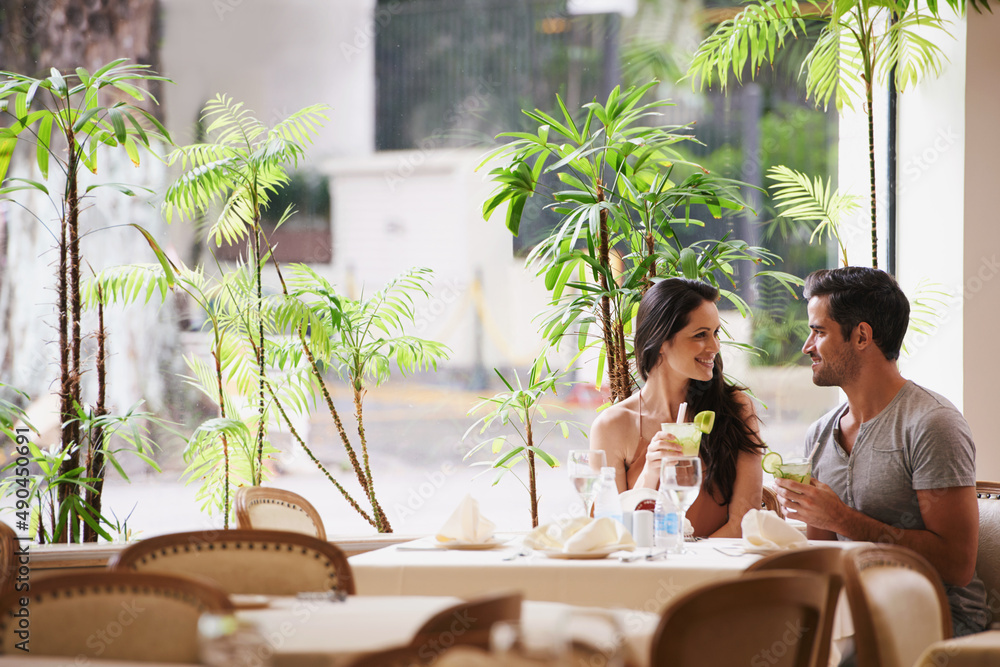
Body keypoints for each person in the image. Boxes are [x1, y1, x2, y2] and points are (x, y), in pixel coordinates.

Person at [775, 266, 988, 636]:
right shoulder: (820, 435)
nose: (808, 346)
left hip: (941, 617)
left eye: (819, 332)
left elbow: (957, 565)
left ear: (861, 336)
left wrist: (842, 519)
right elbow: (822, 551)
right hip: (852, 612)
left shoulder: (932, 424)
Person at [589, 278, 765, 537]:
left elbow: (744, 522)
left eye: (715, 333)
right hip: (646, 570)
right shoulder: (612, 426)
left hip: (717, 569)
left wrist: (690, 566)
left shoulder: (736, 409)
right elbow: (614, 532)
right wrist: (650, 470)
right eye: (700, 335)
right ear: (660, 341)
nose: (715, 347)